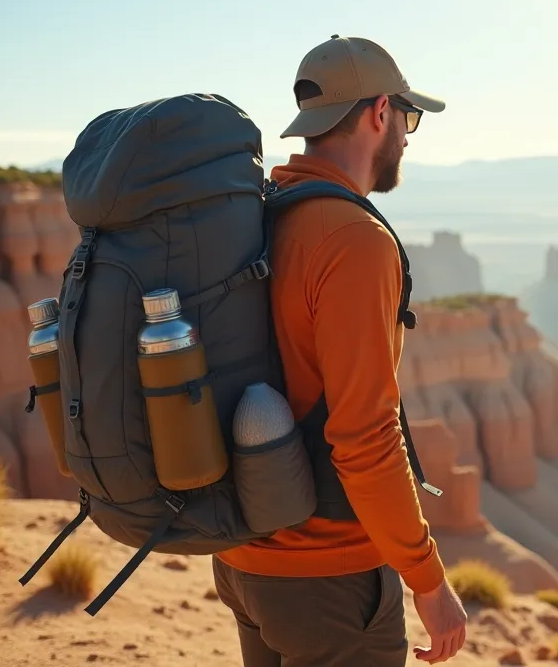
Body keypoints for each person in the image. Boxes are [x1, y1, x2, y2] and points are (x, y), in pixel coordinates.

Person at [211, 34, 468, 666]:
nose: (407, 136)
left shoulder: (264, 214)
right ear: (380, 112)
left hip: (244, 559)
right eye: (406, 118)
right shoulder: (354, 239)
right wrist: (428, 580)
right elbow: (365, 436)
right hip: (326, 577)